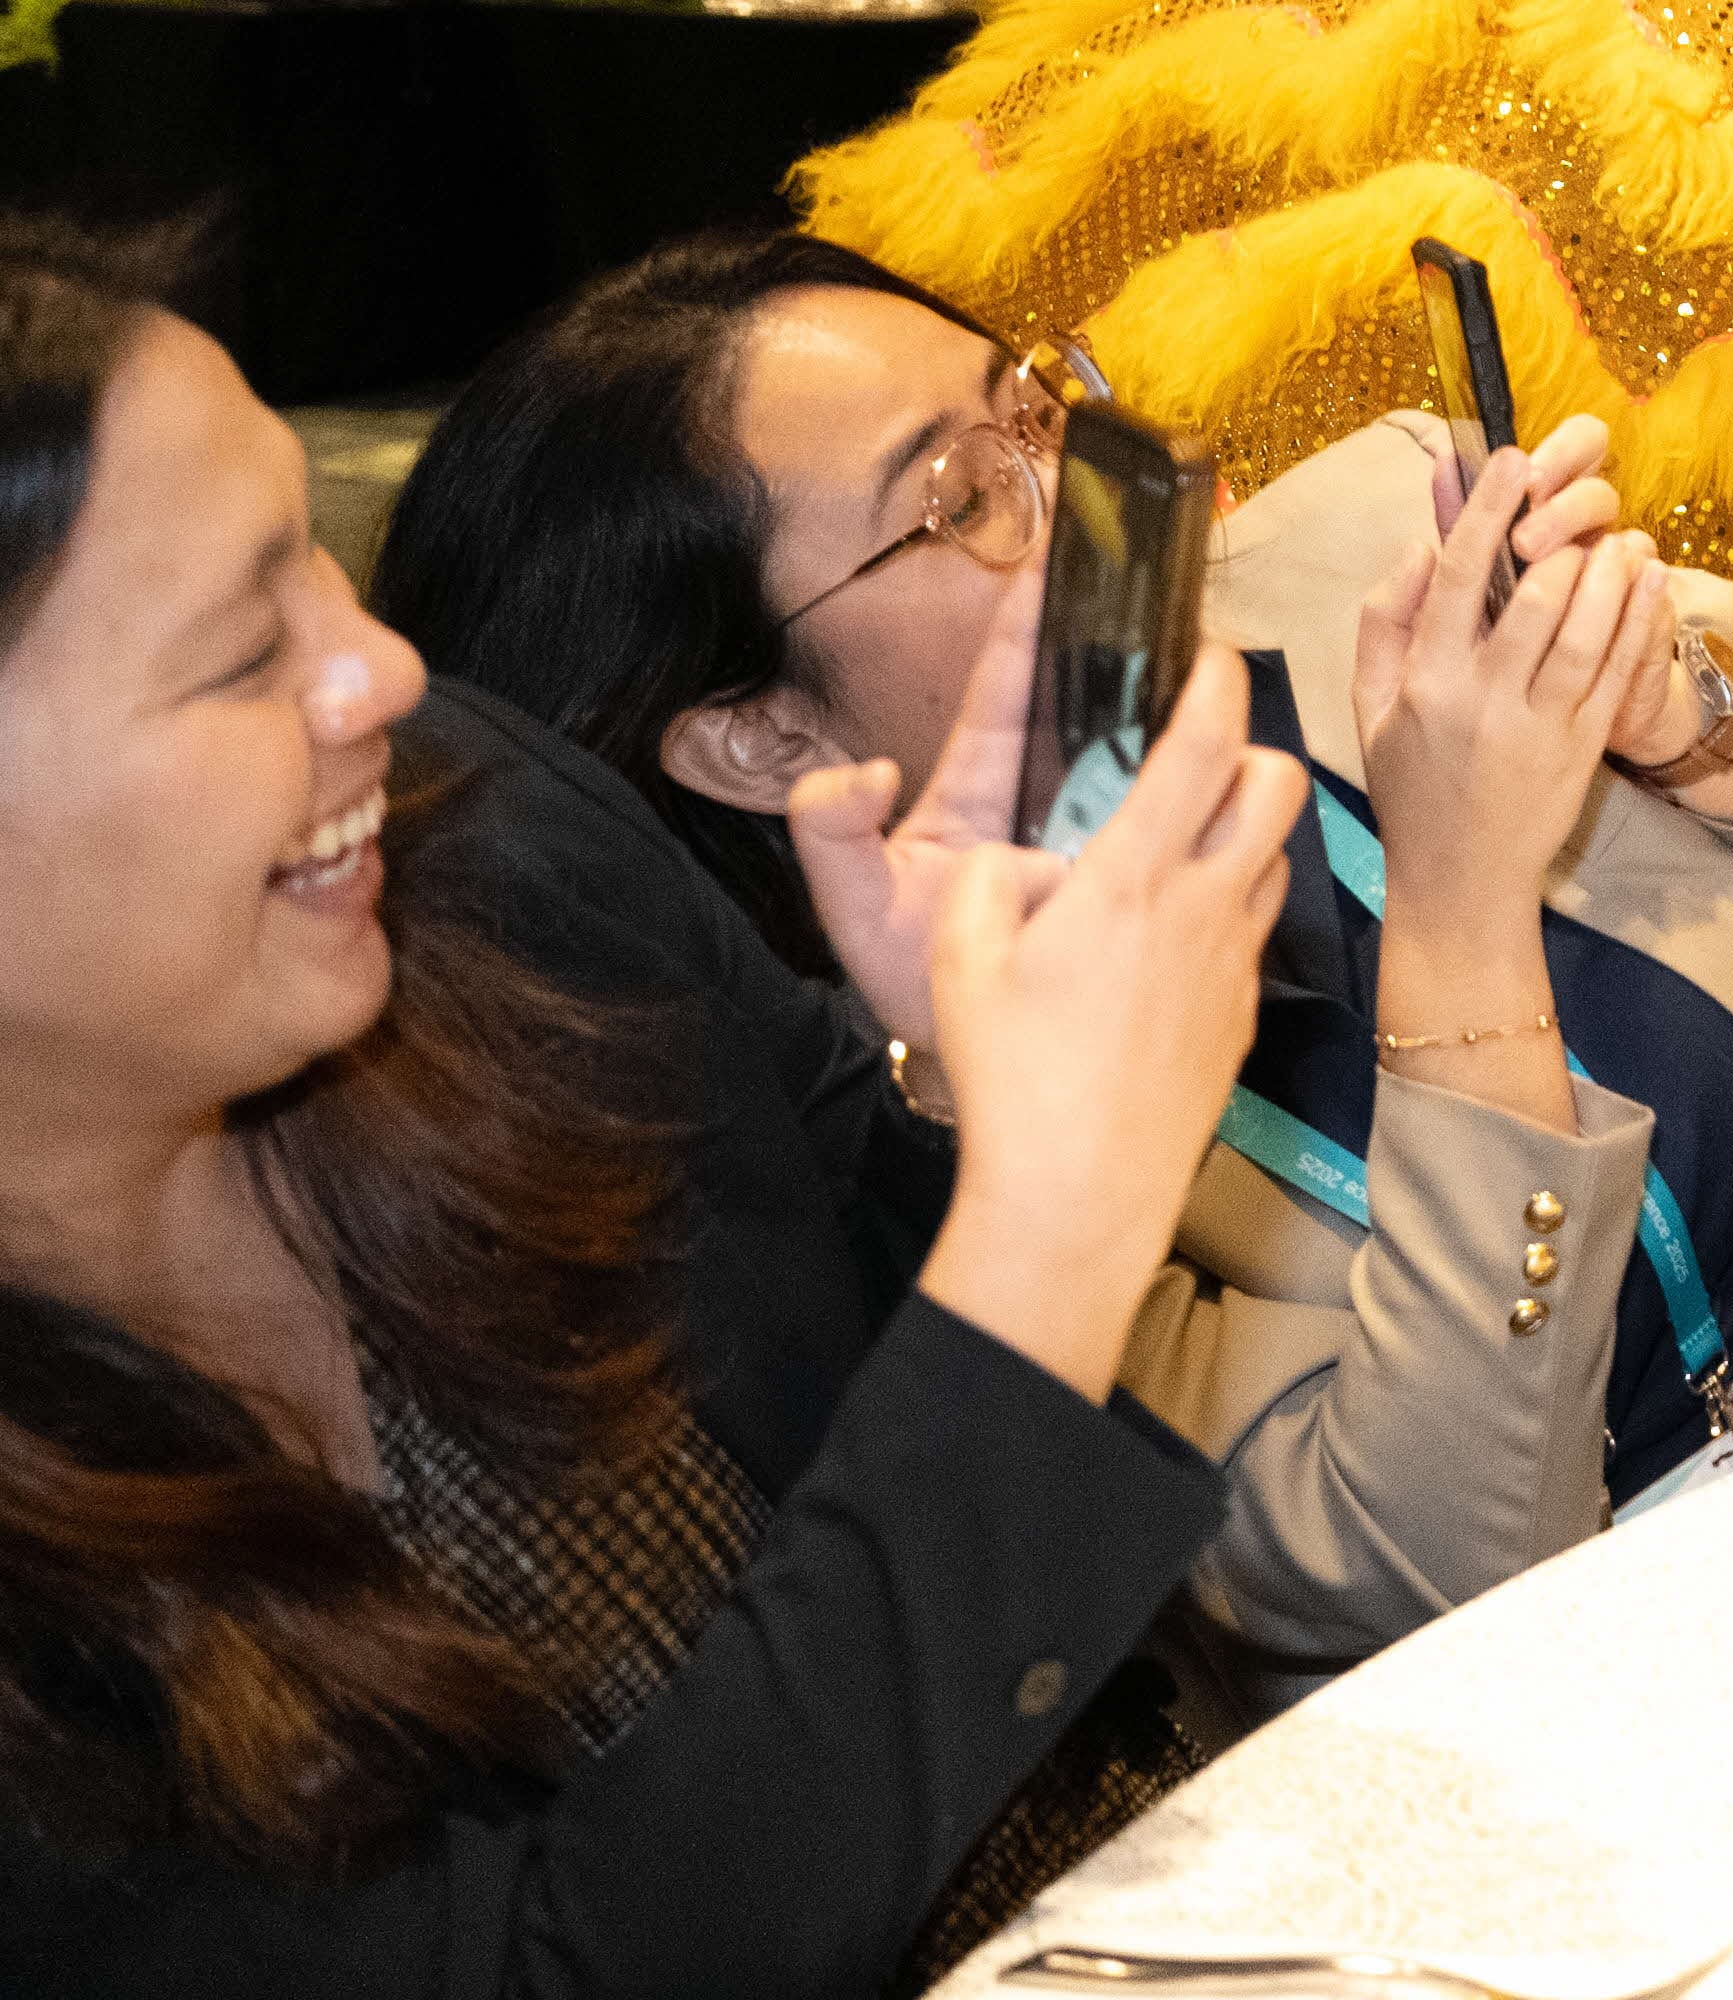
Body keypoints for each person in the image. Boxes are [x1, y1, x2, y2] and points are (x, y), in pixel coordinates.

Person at [377, 238, 1733, 1700]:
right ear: (757, 738)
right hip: (1664, 1718)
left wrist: (1684, 715)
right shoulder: (958, 1132)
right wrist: (1458, 907)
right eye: (961, 492)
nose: (1094, 492)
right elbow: (1433, 1572)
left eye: (1041, 408)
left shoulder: (1373, 542)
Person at [0, 229, 1309, 1996]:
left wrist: (970, 1070)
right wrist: (1051, 1223)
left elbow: (872, 1344)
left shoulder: (482, 841)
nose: (380, 670)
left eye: (315, 548)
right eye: (244, 648)